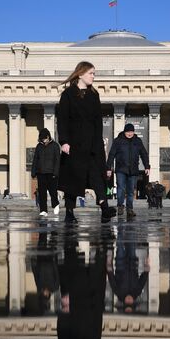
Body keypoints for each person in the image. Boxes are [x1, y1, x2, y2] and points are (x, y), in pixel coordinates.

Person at [56, 61, 117, 223]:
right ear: (81, 73)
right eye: (91, 73)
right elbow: (62, 120)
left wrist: (100, 142)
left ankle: (104, 209)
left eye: (94, 74)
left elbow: (98, 120)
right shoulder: (68, 94)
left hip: (92, 144)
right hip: (74, 144)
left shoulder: (94, 95)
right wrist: (64, 141)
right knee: (73, 179)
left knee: (98, 176)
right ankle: (69, 212)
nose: (93, 77)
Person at [106, 123, 150, 218]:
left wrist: (147, 167)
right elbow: (111, 155)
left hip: (133, 170)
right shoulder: (118, 141)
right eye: (128, 132)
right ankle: (120, 206)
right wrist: (108, 168)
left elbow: (144, 154)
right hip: (121, 169)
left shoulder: (137, 141)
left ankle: (129, 209)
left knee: (130, 191)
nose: (130, 134)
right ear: (124, 132)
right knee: (121, 188)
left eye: (131, 132)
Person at [31, 128, 61, 216]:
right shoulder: (39, 146)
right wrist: (33, 172)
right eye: (41, 139)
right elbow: (35, 159)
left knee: (53, 191)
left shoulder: (55, 146)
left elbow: (57, 160)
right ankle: (43, 210)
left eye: (44, 139)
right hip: (41, 173)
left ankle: (55, 204)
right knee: (42, 192)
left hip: (52, 173)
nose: (43, 141)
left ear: (48, 137)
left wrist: (56, 172)